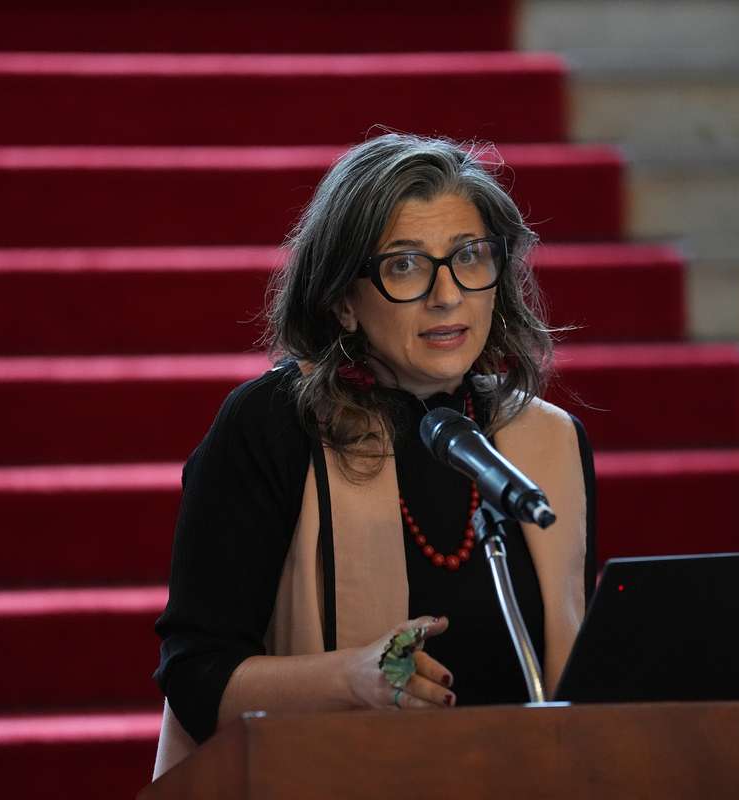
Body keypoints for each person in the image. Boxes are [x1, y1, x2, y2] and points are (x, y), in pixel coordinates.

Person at [151, 133, 596, 776]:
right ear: (342, 301)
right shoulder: (272, 425)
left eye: (469, 256)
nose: (448, 295)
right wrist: (350, 679)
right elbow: (195, 675)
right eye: (405, 265)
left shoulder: (546, 442)